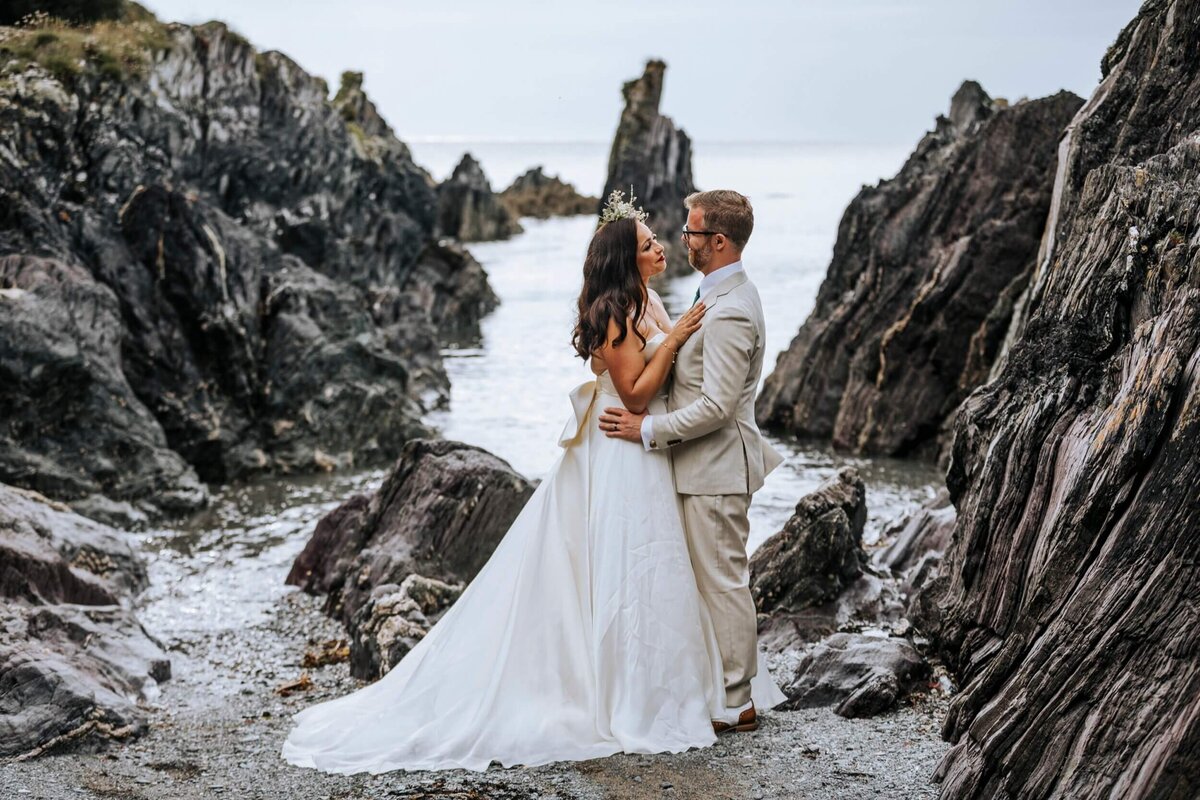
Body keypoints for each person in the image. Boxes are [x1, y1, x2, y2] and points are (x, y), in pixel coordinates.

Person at [281, 193, 784, 775]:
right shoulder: (629, 308)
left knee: (677, 572)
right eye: (650, 241)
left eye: (685, 233)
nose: (670, 243)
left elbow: (703, 395)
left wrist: (655, 400)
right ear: (627, 256)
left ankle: (717, 692)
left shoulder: (703, 302)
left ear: (717, 241)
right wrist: (662, 368)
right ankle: (657, 689)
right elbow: (639, 387)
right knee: (631, 567)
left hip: (657, 450)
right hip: (628, 447)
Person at [600, 189, 784, 734]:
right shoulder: (714, 296)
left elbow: (717, 406)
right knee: (704, 582)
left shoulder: (730, 312)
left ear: (718, 241)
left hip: (716, 469)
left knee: (724, 581)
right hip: (697, 467)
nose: (683, 239)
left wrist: (646, 428)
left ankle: (737, 700)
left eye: (692, 232)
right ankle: (716, 687)